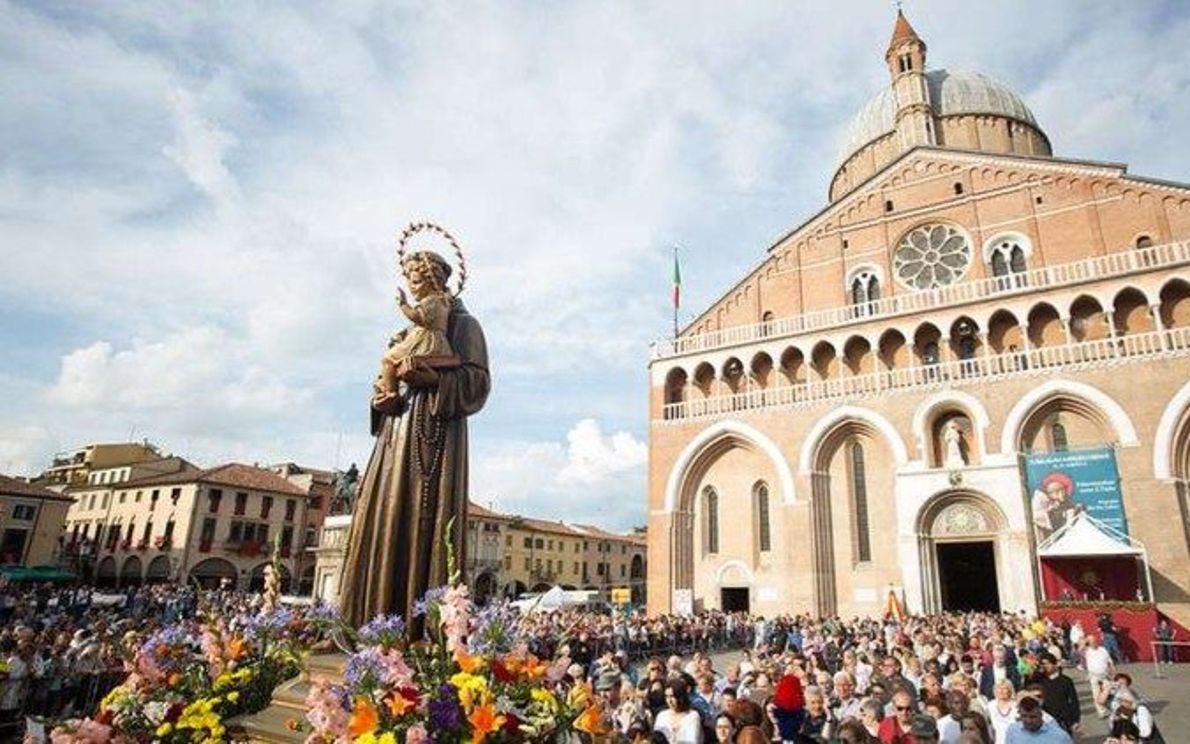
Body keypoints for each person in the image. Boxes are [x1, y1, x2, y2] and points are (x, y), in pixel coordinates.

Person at [339, 250, 491, 629]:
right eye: (407, 276)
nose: (411, 283)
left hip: (433, 437)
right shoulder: (407, 333)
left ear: (437, 277)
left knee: (421, 522)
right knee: (375, 520)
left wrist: (435, 380)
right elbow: (383, 378)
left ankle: (417, 631)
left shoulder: (463, 325)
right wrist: (381, 398)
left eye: (417, 276)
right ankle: (362, 624)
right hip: (393, 438)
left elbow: (478, 383)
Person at [377, 252, 459, 397]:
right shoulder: (442, 301)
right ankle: (386, 393)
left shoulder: (433, 302)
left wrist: (403, 304)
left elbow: (418, 317)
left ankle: (390, 393)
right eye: (410, 283)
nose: (411, 288)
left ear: (432, 282)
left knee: (389, 358)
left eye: (416, 282)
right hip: (405, 411)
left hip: (426, 344)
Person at [1029, 654, 1078, 736]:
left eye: (1047, 663)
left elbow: (1073, 700)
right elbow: (1028, 686)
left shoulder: (1066, 680)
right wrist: (1035, 670)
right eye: (1043, 664)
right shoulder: (1040, 680)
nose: (1045, 666)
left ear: (1055, 664)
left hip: (1063, 719)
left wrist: (1075, 720)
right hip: (1045, 719)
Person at [1003, 697, 1071, 744]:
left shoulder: (1059, 736)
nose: (1028, 721)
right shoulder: (1013, 730)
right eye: (1024, 716)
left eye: (1033, 717)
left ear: (1041, 715)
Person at [655, 679, 704, 744]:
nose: (669, 701)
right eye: (667, 697)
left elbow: (692, 740)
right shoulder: (662, 716)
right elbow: (656, 739)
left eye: (672, 696)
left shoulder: (692, 716)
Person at [1082, 634, 1115, 719]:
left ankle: (1112, 708)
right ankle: (1101, 712)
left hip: (1105, 675)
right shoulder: (1087, 651)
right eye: (1091, 642)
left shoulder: (1102, 649)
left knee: (1109, 692)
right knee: (1096, 694)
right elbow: (1080, 648)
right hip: (1094, 676)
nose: (1094, 643)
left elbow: (1109, 660)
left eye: (1095, 641)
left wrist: (1112, 669)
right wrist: (1086, 641)